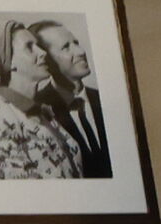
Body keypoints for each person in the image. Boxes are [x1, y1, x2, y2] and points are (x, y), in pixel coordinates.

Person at [0, 20, 87, 180]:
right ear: (7, 62)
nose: (43, 53)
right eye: (29, 47)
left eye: (38, 45)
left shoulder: (43, 113)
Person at [24, 21, 115, 180]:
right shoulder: (36, 112)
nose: (81, 51)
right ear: (45, 59)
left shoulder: (106, 100)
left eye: (76, 43)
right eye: (66, 47)